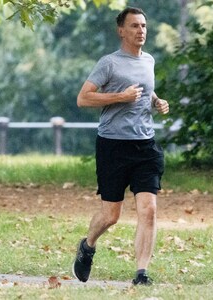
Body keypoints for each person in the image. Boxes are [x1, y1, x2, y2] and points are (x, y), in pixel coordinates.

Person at [72, 7, 169, 285]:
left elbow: (145, 90)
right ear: (121, 31)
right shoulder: (109, 63)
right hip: (113, 146)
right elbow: (84, 98)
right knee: (110, 215)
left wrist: (156, 101)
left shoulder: (149, 60)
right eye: (135, 26)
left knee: (149, 209)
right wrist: (120, 96)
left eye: (144, 26)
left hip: (145, 146)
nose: (141, 31)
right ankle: (88, 245)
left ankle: (141, 274)